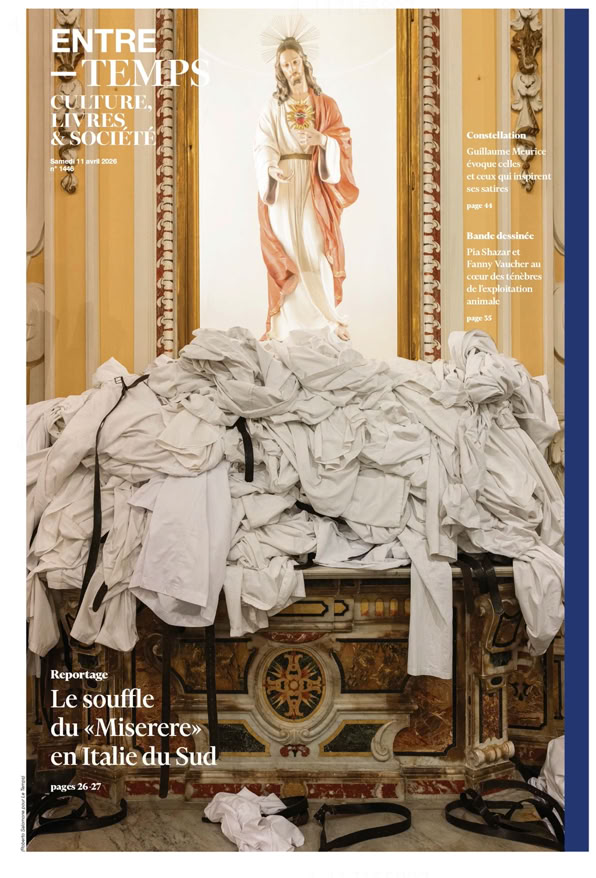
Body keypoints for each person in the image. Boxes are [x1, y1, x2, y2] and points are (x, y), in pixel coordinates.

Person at [254, 38, 359, 341]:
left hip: (313, 184)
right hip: (283, 186)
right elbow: (263, 144)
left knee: (315, 248)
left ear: (303, 62)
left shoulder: (325, 104)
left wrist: (322, 141)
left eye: (295, 62)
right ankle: (286, 332)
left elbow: (342, 140)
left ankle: (327, 323)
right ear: (280, 70)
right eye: (285, 65)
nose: (292, 69)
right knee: (289, 253)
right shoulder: (273, 107)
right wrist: (270, 168)